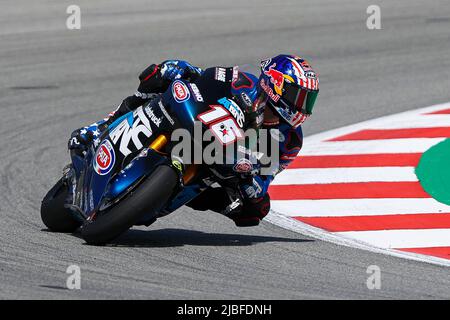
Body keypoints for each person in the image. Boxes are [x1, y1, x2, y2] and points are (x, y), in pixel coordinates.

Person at [68, 55, 319, 227]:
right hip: (193, 125)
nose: (303, 106)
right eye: (300, 96)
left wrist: (250, 179)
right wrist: (183, 70)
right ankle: (100, 127)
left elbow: (264, 181)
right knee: (161, 74)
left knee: (256, 212)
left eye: (308, 100)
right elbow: (202, 78)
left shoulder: (288, 141)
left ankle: (164, 196)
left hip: (222, 166)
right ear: (275, 84)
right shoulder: (239, 81)